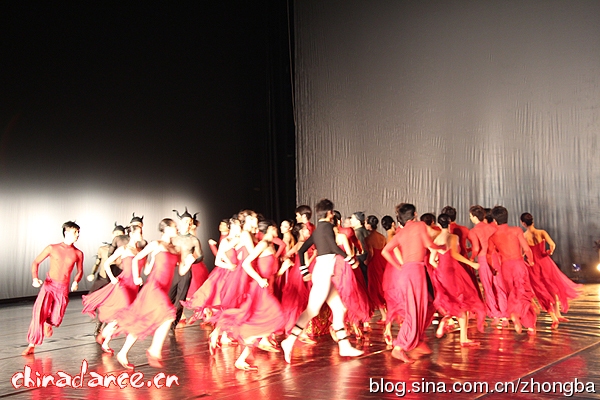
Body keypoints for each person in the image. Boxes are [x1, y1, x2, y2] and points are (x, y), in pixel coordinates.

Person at [281, 199, 364, 363]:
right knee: (312, 311)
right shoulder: (326, 227)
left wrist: (305, 270)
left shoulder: (319, 229)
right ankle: (289, 341)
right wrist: (350, 259)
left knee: (339, 308)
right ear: (329, 213)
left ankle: (344, 346)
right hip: (323, 274)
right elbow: (333, 247)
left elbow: (302, 250)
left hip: (323, 273)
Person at [114, 218, 195, 369]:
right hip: (154, 287)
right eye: (174, 226)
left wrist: (189, 263)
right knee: (169, 315)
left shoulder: (176, 249)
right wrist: (136, 276)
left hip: (163, 289)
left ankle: (123, 353)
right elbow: (136, 259)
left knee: (142, 320)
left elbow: (181, 271)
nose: (177, 229)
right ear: (166, 229)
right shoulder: (156, 244)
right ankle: (154, 350)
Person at [381, 204, 445, 363]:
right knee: (415, 310)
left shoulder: (401, 232)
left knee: (419, 308)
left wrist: (399, 267)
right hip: (416, 272)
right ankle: (399, 346)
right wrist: (442, 247)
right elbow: (429, 244)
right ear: (415, 214)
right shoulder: (420, 226)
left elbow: (385, 251)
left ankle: (415, 340)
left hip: (408, 272)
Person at [81, 224, 146, 353]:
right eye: (138, 232)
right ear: (131, 234)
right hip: (124, 285)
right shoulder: (124, 249)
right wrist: (112, 278)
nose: (141, 235)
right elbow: (106, 263)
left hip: (134, 287)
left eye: (141, 232)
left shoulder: (140, 251)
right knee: (122, 314)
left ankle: (105, 341)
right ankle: (103, 335)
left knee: (122, 317)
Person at [22, 221, 84, 356]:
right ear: (66, 233)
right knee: (39, 313)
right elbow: (36, 262)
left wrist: (75, 281)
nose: (78, 235)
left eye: (78, 232)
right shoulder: (52, 248)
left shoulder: (78, 253)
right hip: (49, 286)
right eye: (75, 232)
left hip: (62, 289)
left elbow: (80, 271)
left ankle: (48, 323)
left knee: (56, 319)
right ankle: (32, 344)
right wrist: (35, 278)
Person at [430, 214, 485, 346]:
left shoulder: (436, 239)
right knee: (462, 303)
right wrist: (472, 264)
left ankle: (448, 320)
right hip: (453, 271)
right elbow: (454, 254)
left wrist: (440, 269)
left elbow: (432, 260)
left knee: (453, 301)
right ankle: (462, 337)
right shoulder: (453, 237)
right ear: (449, 223)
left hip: (441, 272)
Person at [520, 212, 582, 329]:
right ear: (533, 221)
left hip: (533, 266)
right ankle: (557, 315)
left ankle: (554, 317)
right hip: (545, 263)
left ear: (523, 223)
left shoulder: (524, 236)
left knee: (541, 291)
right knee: (552, 288)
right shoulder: (541, 232)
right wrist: (548, 252)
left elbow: (522, 254)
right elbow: (552, 245)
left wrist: (527, 260)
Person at [487, 207, 536, 335]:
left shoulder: (492, 236)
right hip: (518, 264)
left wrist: (492, 268)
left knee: (512, 295)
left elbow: (490, 254)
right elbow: (527, 249)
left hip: (505, 268)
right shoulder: (516, 230)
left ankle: (514, 314)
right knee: (523, 294)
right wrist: (531, 261)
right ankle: (530, 326)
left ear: (495, 221)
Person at [468, 205, 507, 326]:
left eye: (470, 216)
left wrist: (471, 258)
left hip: (483, 259)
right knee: (499, 286)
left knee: (488, 288)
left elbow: (476, 248)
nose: (470, 218)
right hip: (495, 257)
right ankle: (504, 315)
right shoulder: (492, 228)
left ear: (475, 217)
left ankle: (495, 314)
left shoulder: (473, 231)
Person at [86, 223, 125, 337]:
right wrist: (92, 273)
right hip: (102, 279)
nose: (117, 237)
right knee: (96, 301)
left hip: (114, 282)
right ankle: (99, 324)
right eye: (116, 234)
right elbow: (97, 262)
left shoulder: (124, 250)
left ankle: (103, 327)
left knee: (110, 306)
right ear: (112, 234)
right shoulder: (103, 249)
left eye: (120, 235)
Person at [169, 208, 204, 331]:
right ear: (180, 222)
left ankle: (172, 326)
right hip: (173, 270)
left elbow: (200, 256)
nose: (187, 224)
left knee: (180, 299)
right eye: (185, 222)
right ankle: (166, 321)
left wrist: (193, 260)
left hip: (186, 271)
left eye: (190, 222)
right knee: (169, 297)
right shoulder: (173, 237)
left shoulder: (194, 240)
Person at [364, 215, 388, 324]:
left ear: (369, 225)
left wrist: (366, 261)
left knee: (375, 289)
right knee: (382, 287)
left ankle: (384, 316)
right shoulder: (382, 237)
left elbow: (371, 253)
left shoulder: (368, 238)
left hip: (374, 264)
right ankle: (387, 313)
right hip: (383, 262)